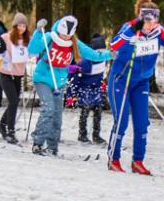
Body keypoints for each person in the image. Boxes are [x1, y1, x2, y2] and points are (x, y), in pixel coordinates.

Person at [107, 0, 164, 175]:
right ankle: (113, 159)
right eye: (147, 21)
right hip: (121, 79)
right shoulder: (130, 28)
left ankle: (137, 161)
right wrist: (130, 32)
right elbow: (113, 45)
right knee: (121, 121)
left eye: (154, 21)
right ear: (140, 18)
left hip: (141, 82)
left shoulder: (159, 32)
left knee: (142, 123)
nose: (151, 25)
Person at [27, 15, 111, 156]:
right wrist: (37, 31)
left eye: (68, 35)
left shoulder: (74, 43)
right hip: (42, 79)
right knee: (48, 108)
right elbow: (33, 49)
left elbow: (93, 55)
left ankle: (52, 147)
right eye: (63, 34)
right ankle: (38, 143)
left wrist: (110, 54)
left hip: (58, 83)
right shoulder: (49, 37)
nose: (65, 37)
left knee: (57, 115)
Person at [0, 13, 30, 145]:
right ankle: (10, 131)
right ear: (15, 25)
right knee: (13, 101)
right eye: (19, 25)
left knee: (14, 102)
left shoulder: (27, 40)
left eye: (24, 25)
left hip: (18, 75)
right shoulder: (6, 37)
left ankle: (2, 125)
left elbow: (32, 51)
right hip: (6, 74)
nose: (21, 28)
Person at [68, 33, 108, 145]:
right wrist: (72, 94)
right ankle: (82, 134)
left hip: (96, 90)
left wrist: (101, 86)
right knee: (85, 111)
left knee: (98, 112)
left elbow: (100, 75)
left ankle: (96, 135)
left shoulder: (104, 60)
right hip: (84, 90)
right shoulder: (85, 62)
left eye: (103, 51)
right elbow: (75, 77)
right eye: (99, 52)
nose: (101, 54)